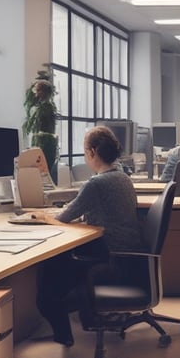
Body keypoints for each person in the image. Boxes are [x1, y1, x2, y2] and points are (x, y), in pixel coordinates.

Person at [36, 125, 146, 346]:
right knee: (60, 262)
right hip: (125, 256)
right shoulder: (122, 176)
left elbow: (64, 217)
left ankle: (64, 330)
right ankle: (80, 320)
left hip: (110, 258)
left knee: (50, 270)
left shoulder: (97, 183)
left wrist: (39, 216)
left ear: (92, 152)